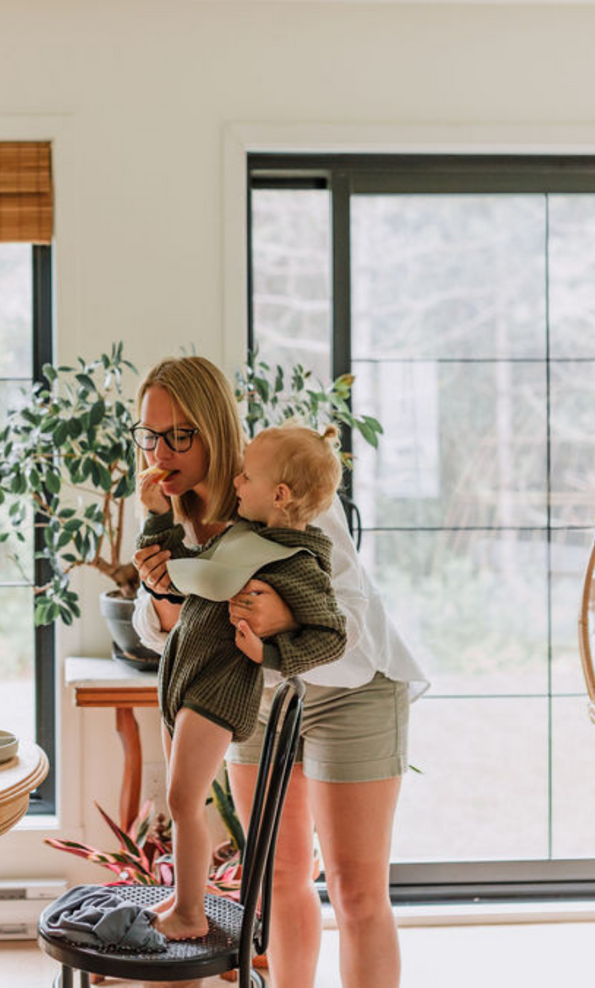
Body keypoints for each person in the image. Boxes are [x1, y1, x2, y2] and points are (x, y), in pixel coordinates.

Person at [132, 356, 428, 988]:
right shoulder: (169, 515)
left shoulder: (281, 489)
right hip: (255, 699)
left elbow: (346, 614)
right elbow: (157, 630)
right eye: (151, 435)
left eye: (180, 434)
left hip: (351, 689)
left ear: (215, 429)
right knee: (277, 879)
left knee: (355, 889)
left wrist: (280, 615)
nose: (163, 450)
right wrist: (165, 596)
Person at [135, 424, 347, 940]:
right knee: (184, 803)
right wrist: (157, 517)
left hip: (217, 691)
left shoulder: (295, 562)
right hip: (182, 682)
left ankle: (190, 915)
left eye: (246, 476)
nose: (235, 482)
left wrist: (269, 651)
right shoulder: (242, 534)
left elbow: (332, 636)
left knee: (185, 801)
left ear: (279, 495)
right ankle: (188, 897)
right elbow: (180, 575)